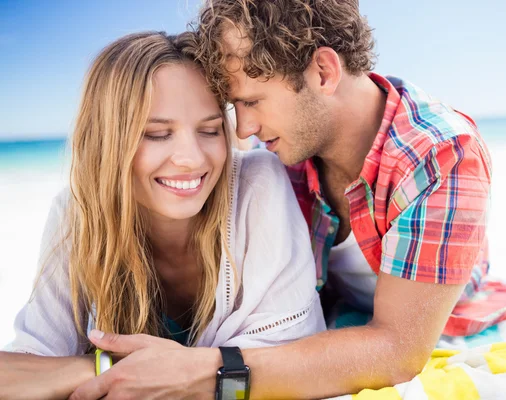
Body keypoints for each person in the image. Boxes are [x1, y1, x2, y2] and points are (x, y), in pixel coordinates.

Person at [186, 0, 493, 398]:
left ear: (323, 72)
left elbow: (399, 351)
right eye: (235, 106)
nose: (244, 127)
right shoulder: (284, 152)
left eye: (252, 101)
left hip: (434, 301)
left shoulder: (443, 154)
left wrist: (211, 374)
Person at [0, 31, 324, 400]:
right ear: (108, 142)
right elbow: (26, 368)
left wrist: (92, 371)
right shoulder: (78, 213)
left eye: (210, 130)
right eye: (156, 134)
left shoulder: (257, 186)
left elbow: (288, 362)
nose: (191, 158)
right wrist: (102, 369)